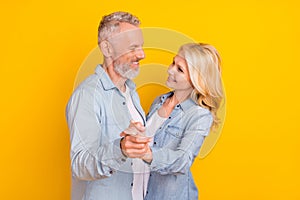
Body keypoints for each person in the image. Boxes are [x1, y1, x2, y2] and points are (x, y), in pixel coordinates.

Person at [66, 11, 152, 200]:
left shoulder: (131, 92)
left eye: (141, 47)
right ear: (107, 48)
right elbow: (80, 165)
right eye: (132, 47)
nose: (142, 54)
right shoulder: (87, 95)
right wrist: (120, 148)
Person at [122, 43, 224, 200]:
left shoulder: (199, 116)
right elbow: (149, 139)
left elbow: (183, 160)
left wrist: (147, 154)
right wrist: (134, 134)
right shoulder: (159, 101)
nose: (170, 70)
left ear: (196, 80)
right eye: (173, 63)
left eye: (180, 69)